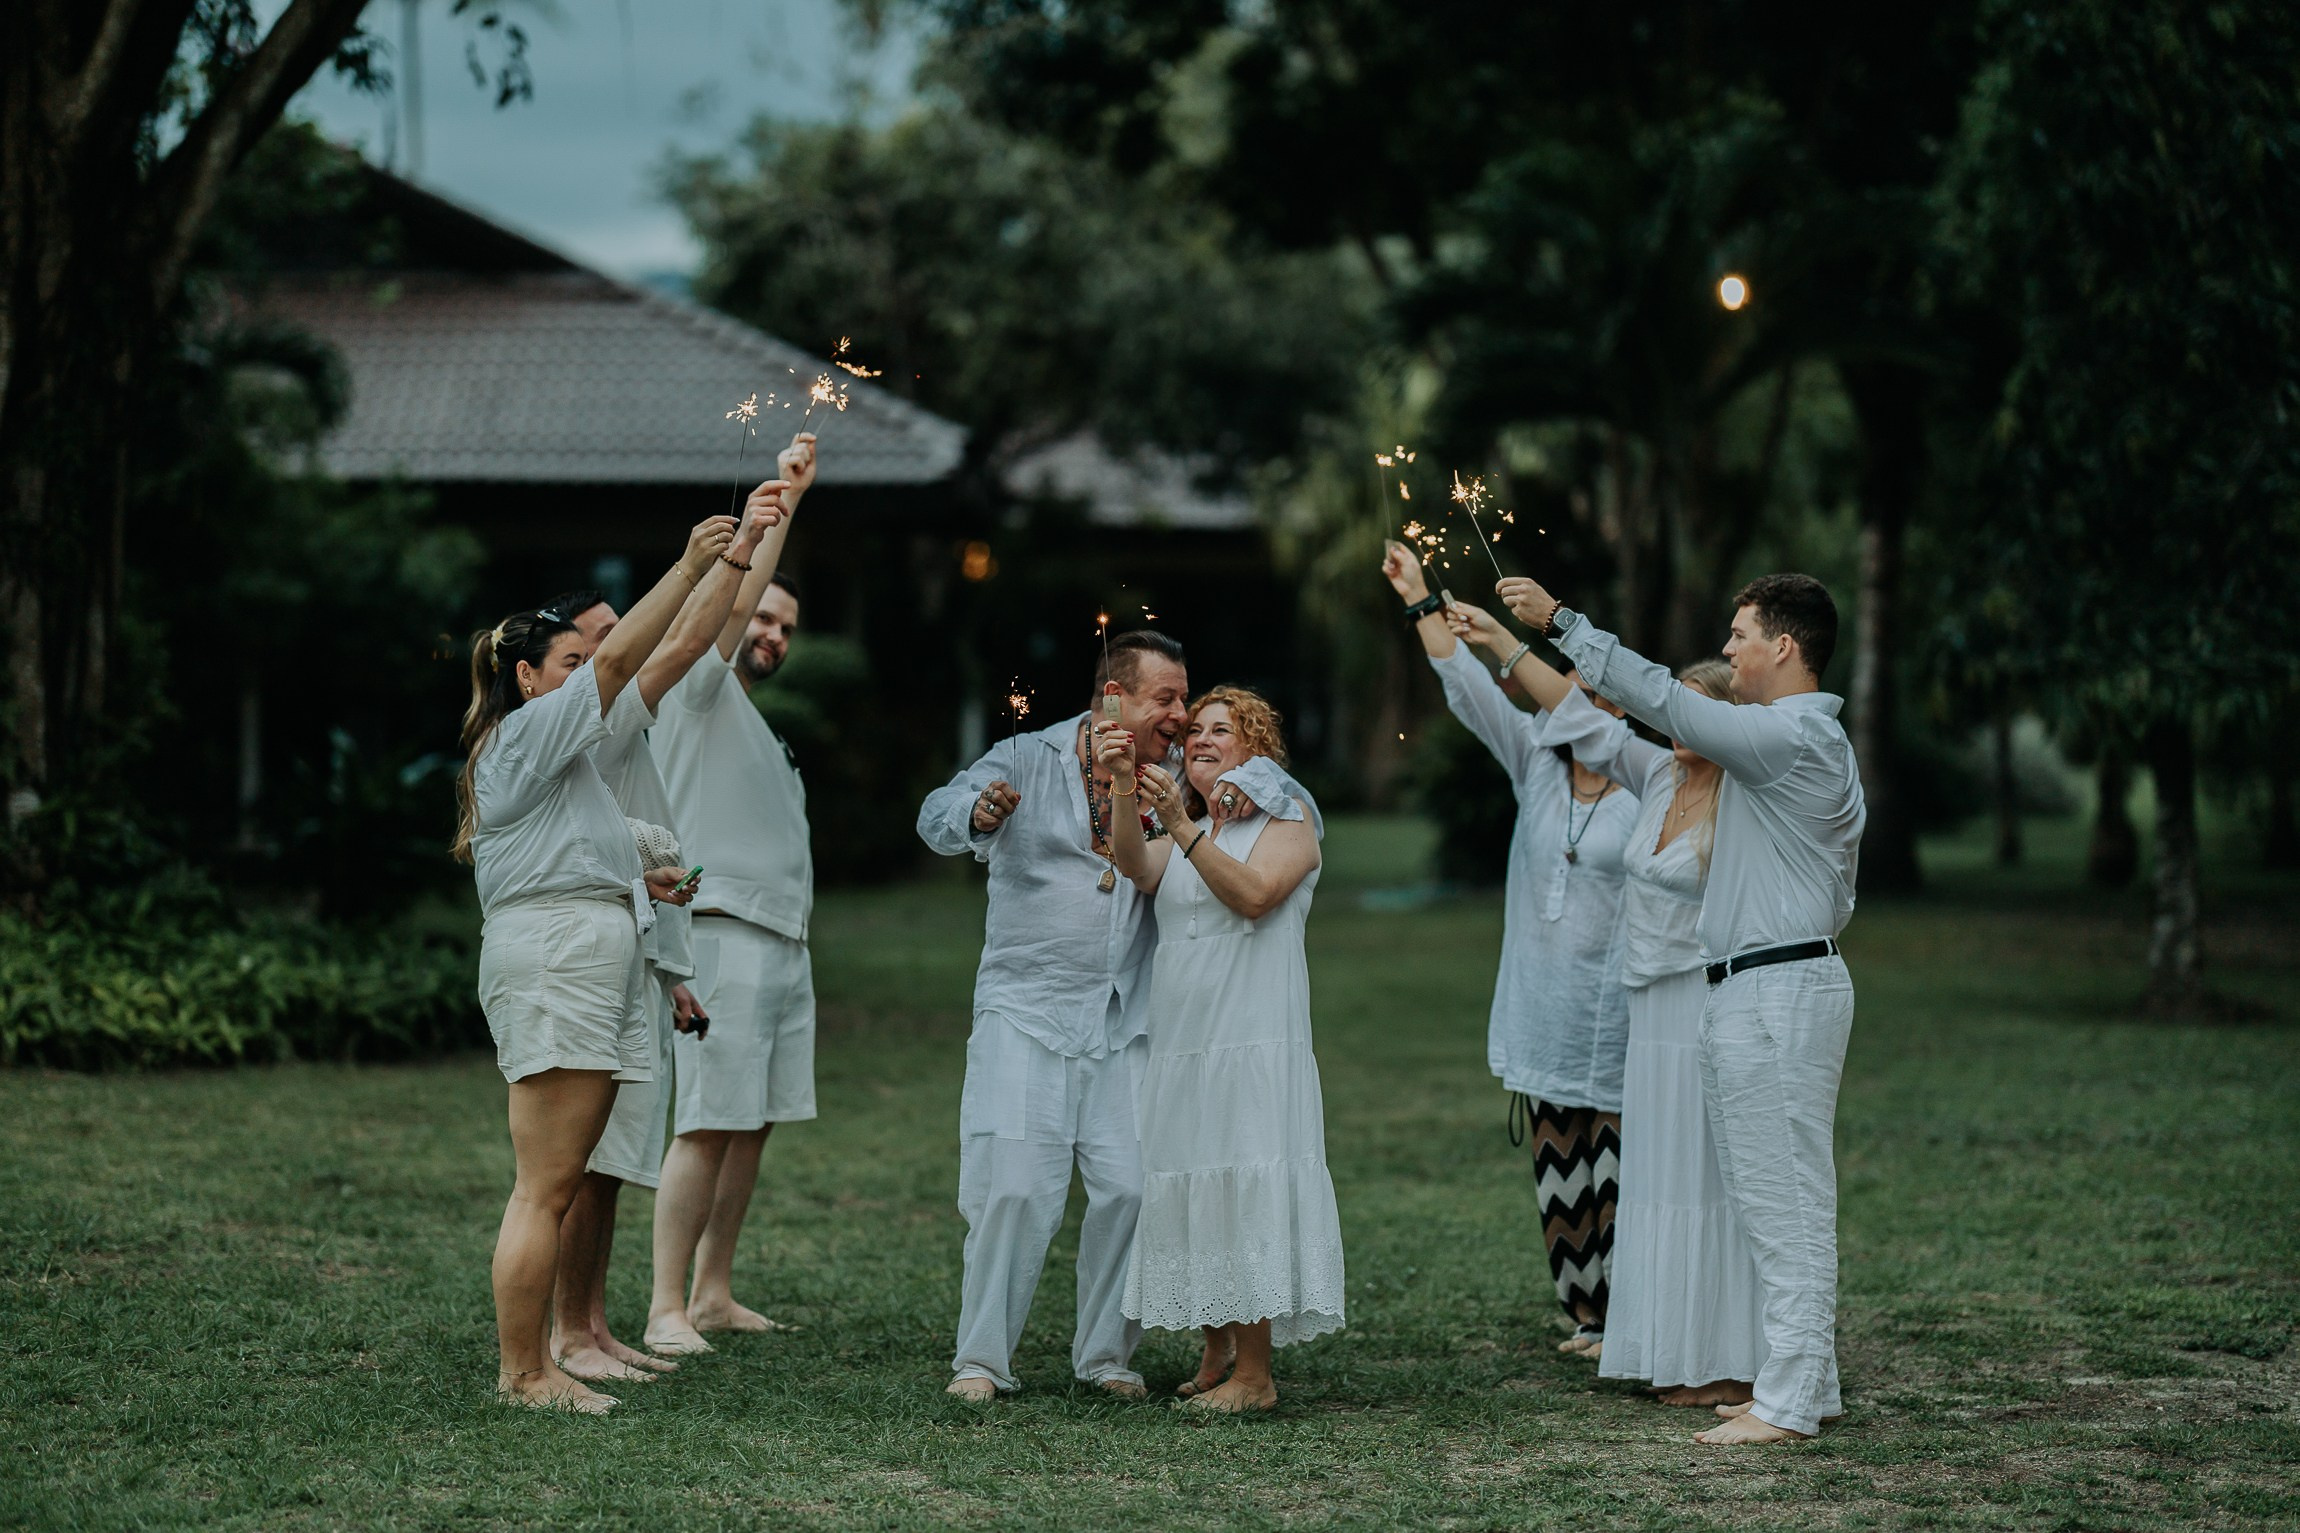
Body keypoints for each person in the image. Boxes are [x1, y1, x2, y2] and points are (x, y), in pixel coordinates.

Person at [1497, 569, 1864, 1446]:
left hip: (1777, 988)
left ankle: (1789, 1399)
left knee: (1786, 1206)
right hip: (1747, 986)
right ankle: (1789, 1381)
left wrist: (1563, 620)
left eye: (1740, 634)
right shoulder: (1774, 742)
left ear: (1783, 644)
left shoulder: (1793, 736)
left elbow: (1663, 697)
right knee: (1766, 1201)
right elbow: (1640, 729)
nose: (1728, 648)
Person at [454, 513, 744, 1413]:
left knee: (569, 1177)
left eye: (584, 668)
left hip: (589, 955)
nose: (587, 678)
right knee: (545, 1186)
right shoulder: (525, 733)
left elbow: (578, 852)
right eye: (570, 665)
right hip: (556, 964)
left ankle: (555, 1350)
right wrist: (693, 562)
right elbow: (626, 663)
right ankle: (525, 1371)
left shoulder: (562, 762)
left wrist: (645, 878)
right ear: (528, 674)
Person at [537, 465, 798, 1384]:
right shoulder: (584, 721)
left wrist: (671, 970)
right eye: (599, 643)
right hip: (580, 959)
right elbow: (689, 637)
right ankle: (564, 1336)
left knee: (616, 1160)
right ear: (551, 668)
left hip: (638, 956)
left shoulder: (620, 721)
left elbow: (689, 637)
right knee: (579, 1163)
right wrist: (727, 551)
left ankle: (593, 1325)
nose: (620, 648)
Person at [914, 630, 1192, 1401]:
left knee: (1133, 1186)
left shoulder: (1175, 778)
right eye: (1165, 697)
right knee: (1015, 1188)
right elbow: (934, 815)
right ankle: (981, 1360)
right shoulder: (1027, 756)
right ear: (1115, 698)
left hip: (1125, 1013)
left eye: (1182, 696)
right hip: (1025, 1007)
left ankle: (1106, 1356)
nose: (1180, 712)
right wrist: (978, 811)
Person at [1383, 544, 1639, 1357]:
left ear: (1617, 713)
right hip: (1541, 1001)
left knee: (1623, 1169)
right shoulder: (1536, 761)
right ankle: (1587, 1312)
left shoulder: (1650, 783)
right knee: (1561, 1173)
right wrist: (1423, 601)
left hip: (1620, 1004)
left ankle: (1632, 1311)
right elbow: (1467, 690)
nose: (1571, 710)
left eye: (1589, 697)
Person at [1101, 687, 1341, 1413]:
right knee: (1198, 1177)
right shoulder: (1190, 829)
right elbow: (1135, 865)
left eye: (1222, 731)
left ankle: (1256, 1375)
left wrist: (1178, 820)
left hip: (1253, 1039)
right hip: (1186, 1043)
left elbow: (1255, 895)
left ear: (1256, 749)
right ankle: (1219, 1344)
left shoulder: (1287, 821)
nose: (1201, 739)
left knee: (1245, 1181)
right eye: (1195, 731)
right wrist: (1120, 788)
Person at [644, 435, 821, 1355]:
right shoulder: (695, 691)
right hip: (719, 934)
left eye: (787, 628)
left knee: (751, 1122)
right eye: (764, 620)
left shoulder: (756, 729)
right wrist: (780, 507)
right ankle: (665, 1305)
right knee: (709, 1118)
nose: (771, 633)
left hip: (780, 942)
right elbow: (734, 601)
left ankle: (714, 1290)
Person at [1560, 656, 1769, 1409]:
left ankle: (1734, 1358)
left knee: (1707, 1171)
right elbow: (1583, 714)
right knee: (1658, 1173)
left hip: (1703, 996)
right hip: (1646, 1004)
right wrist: (1500, 642)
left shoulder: (1747, 794)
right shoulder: (1654, 776)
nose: (1677, 719)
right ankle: (1676, 1348)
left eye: (1694, 706)